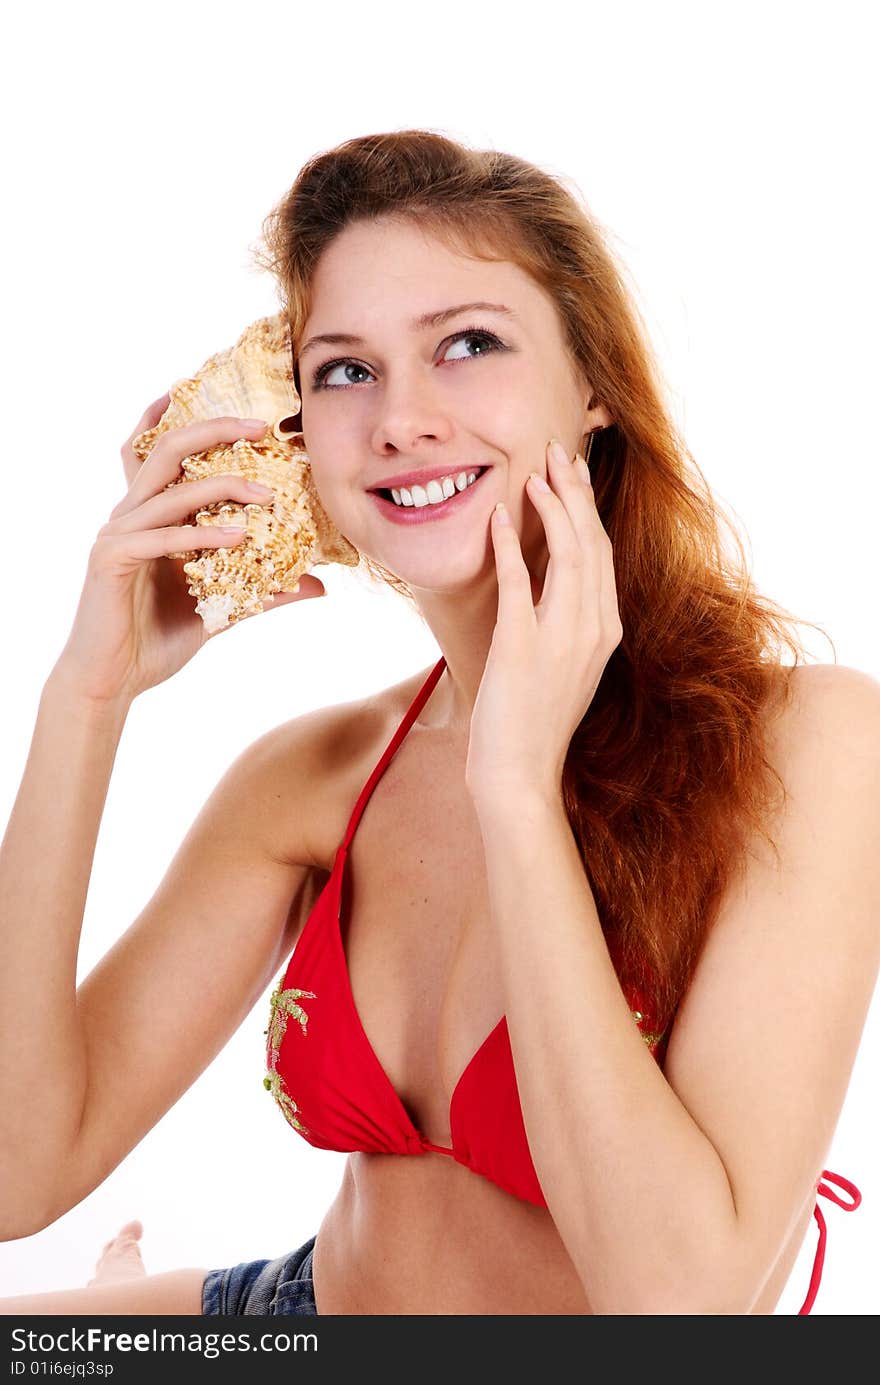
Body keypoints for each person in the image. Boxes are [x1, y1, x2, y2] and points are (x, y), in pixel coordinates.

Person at [1, 129, 877, 1318]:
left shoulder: (802, 743)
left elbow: (680, 1304)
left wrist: (514, 787)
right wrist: (81, 700)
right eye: (345, 370)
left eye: (468, 344)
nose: (402, 419)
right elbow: (18, 1173)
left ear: (592, 385)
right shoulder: (309, 777)